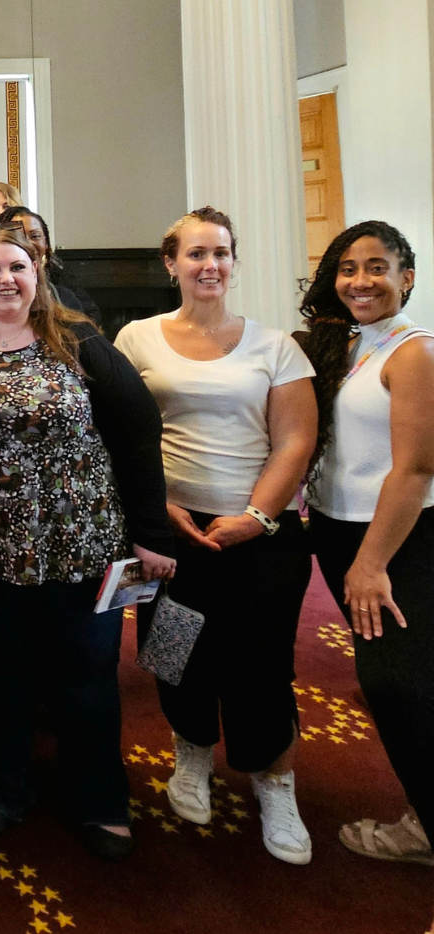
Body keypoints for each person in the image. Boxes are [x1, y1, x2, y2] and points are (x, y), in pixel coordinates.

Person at [0, 227, 174, 861]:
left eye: (17, 267)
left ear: (37, 277)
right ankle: (2, 786)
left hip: (82, 547)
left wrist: (149, 532)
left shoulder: (80, 339)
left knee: (86, 677)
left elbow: (140, 430)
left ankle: (99, 798)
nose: (5, 279)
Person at [115, 207, 318, 865]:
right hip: (170, 533)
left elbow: (295, 439)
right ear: (170, 262)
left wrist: (256, 517)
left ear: (233, 262)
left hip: (259, 534)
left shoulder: (275, 345)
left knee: (261, 663)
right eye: (196, 254)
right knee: (174, 653)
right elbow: (119, 433)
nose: (210, 266)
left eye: (221, 254)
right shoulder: (137, 339)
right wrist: (161, 505)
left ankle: (274, 780)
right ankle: (192, 751)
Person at [300, 221, 434, 924]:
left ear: (406, 276)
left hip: (395, 540)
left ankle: (423, 828)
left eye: (377, 268)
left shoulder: (415, 352)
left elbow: (414, 470)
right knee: (393, 675)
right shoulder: (350, 341)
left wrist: (372, 564)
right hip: (336, 525)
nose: (361, 281)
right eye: (349, 268)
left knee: (398, 683)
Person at [0, 205, 99, 322]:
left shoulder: (65, 297)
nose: (28, 243)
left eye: (35, 236)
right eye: (18, 237)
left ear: (46, 243)